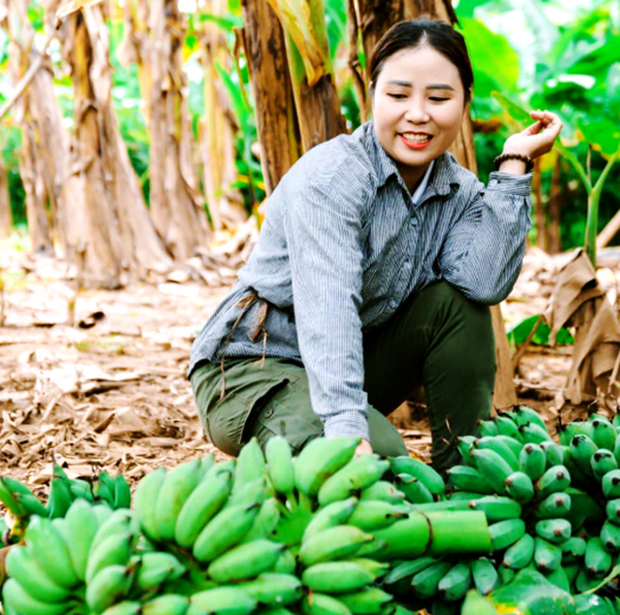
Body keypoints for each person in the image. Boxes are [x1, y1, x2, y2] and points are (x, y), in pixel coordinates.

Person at [188, 17, 562, 471]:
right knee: (380, 460)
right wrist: (347, 428)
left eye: (439, 98)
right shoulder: (333, 177)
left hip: (346, 366)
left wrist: (514, 164)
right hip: (253, 370)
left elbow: (482, 285)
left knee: (457, 305)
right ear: (372, 96)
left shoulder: (458, 190)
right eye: (398, 95)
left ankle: (466, 474)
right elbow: (329, 306)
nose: (418, 114)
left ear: (465, 104)